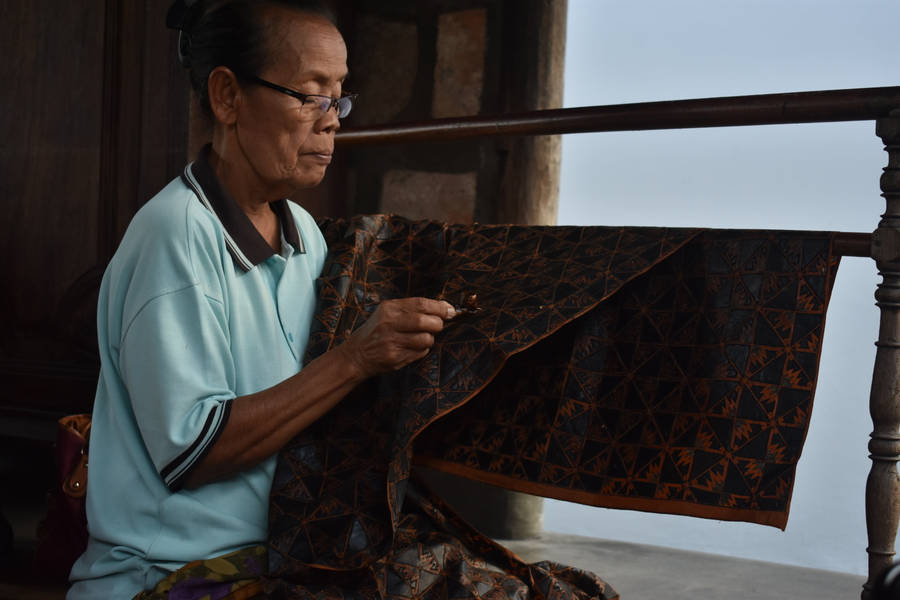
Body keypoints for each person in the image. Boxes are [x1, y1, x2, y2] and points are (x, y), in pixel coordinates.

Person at [66, 1, 455, 598]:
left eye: (339, 98)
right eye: (309, 96)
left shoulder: (304, 233)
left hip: (283, 551)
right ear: (227, 97)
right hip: (174, 573)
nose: (331, 121)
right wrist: (353, 359)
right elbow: (198, 453)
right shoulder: (176, 234)